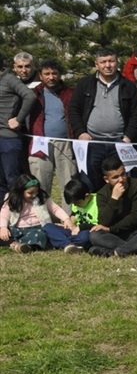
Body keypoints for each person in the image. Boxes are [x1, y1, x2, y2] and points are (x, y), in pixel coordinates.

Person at [68, 48, 137, 191]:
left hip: (119, 144)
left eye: (111, 61)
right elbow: (73, 110)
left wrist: (128, 137)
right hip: (92, 144)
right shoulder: (85, 84)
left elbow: (136, 114)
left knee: (121, 183)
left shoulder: (128, 86)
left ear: (117, 63)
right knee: (90, 182)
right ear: (96, 65)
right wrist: (80, 132)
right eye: (103, 62)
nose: (108, 65)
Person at [27, 59, 77, 210]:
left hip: (66, 143)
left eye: (54, 73)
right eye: (46, 74)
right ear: (40, 76)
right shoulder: (33, 94)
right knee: (40, 184)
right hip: (40, 143)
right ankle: (40, 220)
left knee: (68, 183)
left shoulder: (70, 93)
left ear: (59, 74)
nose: (51, 77)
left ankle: (68, 220)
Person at [88, 154, 137, 259]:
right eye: (115, 177)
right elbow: (103, 221)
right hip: (116, 235)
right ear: (106, 179)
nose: (121, 180)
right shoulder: (102, 193)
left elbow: (135, 217)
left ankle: (117, 251)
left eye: (123, 174)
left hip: (136, 231)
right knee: (94, 235)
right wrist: (114, 199)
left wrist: (110, 229)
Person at [0, 173, 85, 252]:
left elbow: (55, 209)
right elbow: (4, 215)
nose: (34, 195)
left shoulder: (42, 197)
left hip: (41, 227)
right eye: (30, 193)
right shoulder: (12, 200)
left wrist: (66, 219)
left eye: (36, 192)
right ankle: (20, 245)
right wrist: (3, 227)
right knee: (40, 235)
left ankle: (25, 246)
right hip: (21, 230)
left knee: (50, 232)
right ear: (20, 191)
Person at [0, 52, 38, 205]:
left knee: (13, 180)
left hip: (9, 138)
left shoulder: (9, 79)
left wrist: (18, 119)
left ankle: (18, 216)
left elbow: (30, 96)